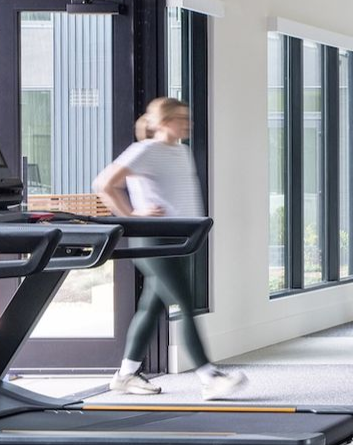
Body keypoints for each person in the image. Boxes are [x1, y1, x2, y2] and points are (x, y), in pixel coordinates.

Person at [93, 97, 249, 399]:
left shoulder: (181, 151)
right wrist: (131, 216)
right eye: (181, 117)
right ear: (163, 122)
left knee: (150, 308)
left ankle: (125, 374)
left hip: (181, 238)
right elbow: (104, 184)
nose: (188, 123)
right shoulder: (145, 150)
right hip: (154, 240)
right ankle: (209, 376)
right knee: (186, 303)